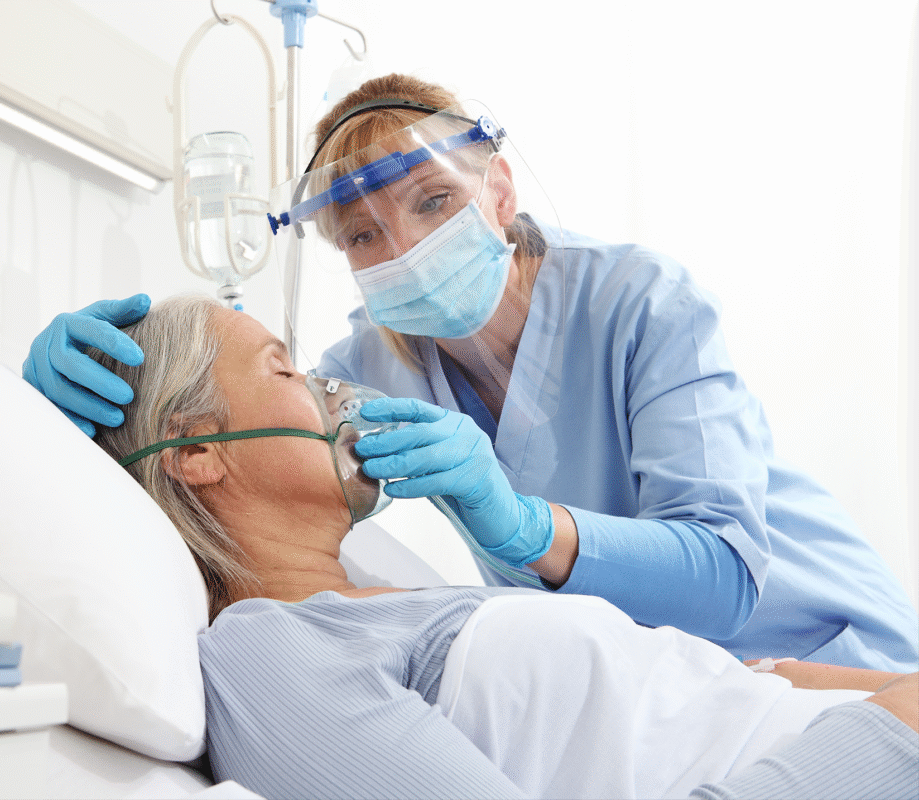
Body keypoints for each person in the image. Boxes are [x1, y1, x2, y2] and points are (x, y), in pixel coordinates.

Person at [24, 73, 918, 672]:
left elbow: (726, 574)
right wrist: (53, 416)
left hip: (828, 656)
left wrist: (526, 527)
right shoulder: (363, 371)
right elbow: (228, 447)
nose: (402, 246)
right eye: (364, 234)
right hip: (671, 694)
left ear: (499, 194)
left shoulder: (642, 301)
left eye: (434, 201)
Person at [85, 292, 917, 800]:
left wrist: (892, 696)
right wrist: (892, 739)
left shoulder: (404, 601)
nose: (334, 389)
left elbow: (711, 684)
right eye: (285, 371)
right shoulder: (269, 652)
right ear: (193, 449)